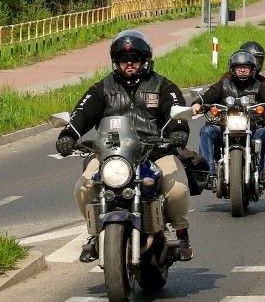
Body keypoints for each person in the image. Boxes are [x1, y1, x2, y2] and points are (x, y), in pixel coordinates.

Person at [55, 29, 194, 262]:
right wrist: (68, 134)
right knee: (83, 187)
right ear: (115, 62)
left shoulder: (163, 87)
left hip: (155, 152)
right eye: (123, 60)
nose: (129, 65)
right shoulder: (101, 89)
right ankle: (94, 232)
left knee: (177, 189)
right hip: (111, 155)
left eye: (135, 60)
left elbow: (176, 112)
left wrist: (178, 130)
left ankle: (181, 233)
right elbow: (82, 114)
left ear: (145, 61)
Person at [191, 50, 265, 188]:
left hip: (253, 128)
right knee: (206, 131)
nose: (243, 70)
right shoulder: (223, 85)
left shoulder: (259, 86)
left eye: (246, 67)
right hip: (224, 128)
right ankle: (209, 173)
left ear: (252, 69)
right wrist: (197, 103)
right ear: (233, 69)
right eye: (239, 67)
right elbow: (208, 95)